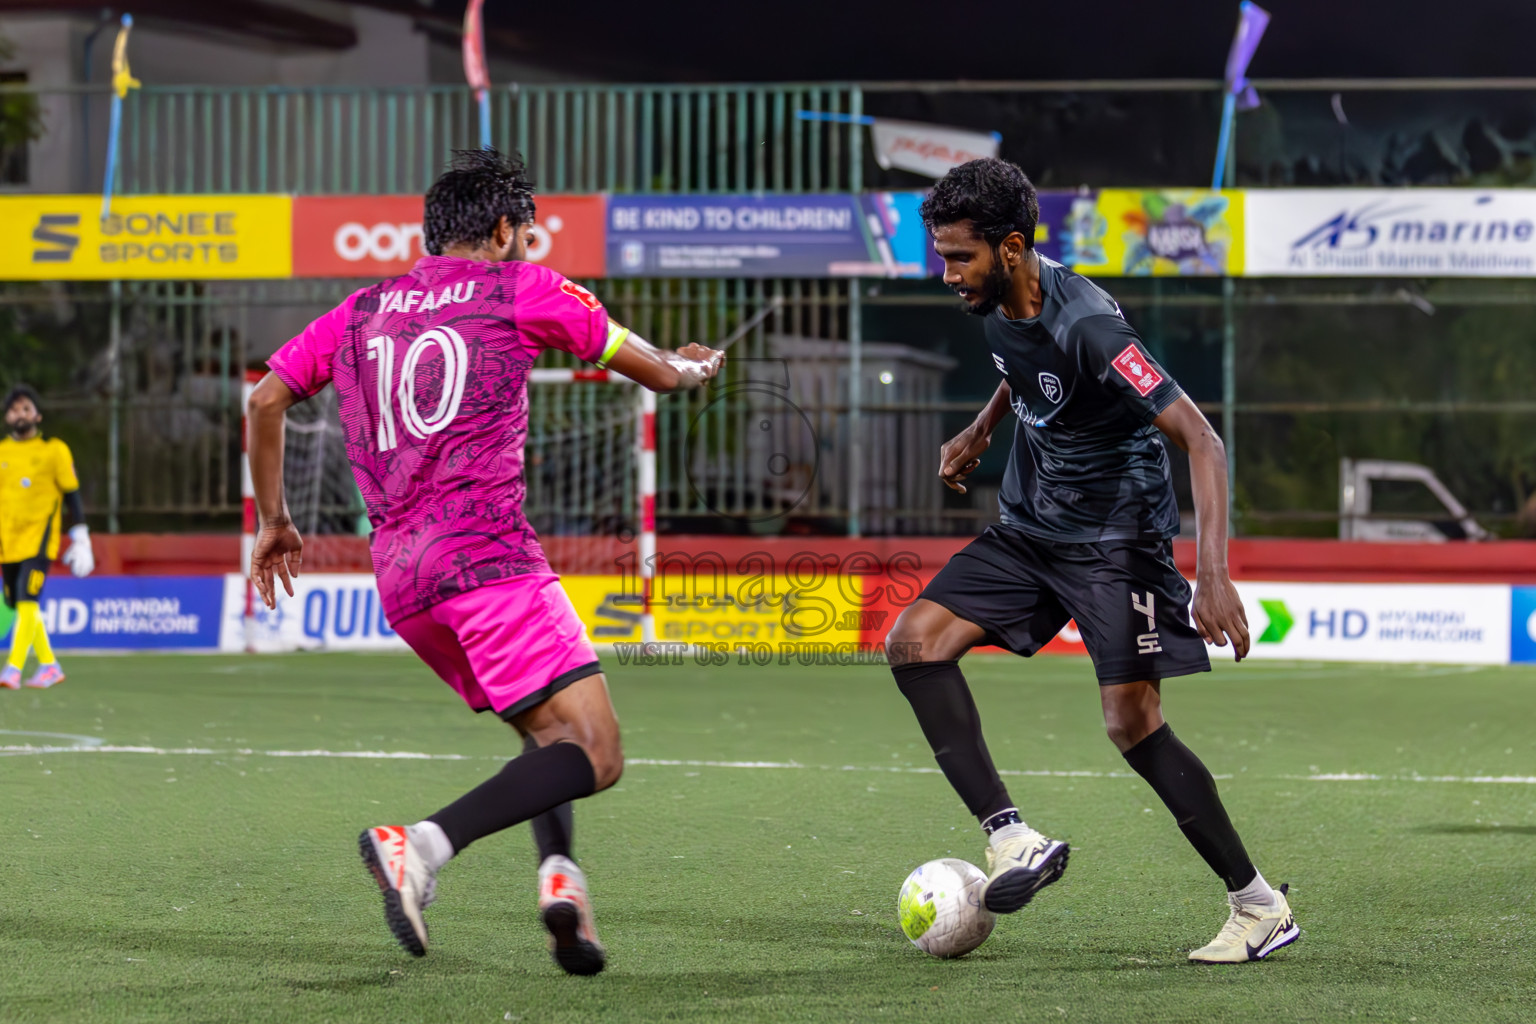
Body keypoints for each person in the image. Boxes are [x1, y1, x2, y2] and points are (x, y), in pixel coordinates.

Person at [245, 149, 723, 975]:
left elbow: (264, 398)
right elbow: (658, 373)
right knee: (598, 753)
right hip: (489, 562)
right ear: (504, 231)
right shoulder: (522, 289)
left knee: (547, 731)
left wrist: (276, 522)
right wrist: (694, 368)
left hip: (403, 581)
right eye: (522, 232)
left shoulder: (360, 312)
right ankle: (421, 846)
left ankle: (561, 881)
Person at [886, 158, 1297, 964]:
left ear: (1009, 249)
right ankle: (1011, 840)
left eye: (959, 257)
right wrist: (981, 428)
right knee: (913, 643)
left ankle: (1259, 906)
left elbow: (1203, 441)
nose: (947, 274)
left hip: (1118, 544)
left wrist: (1211, 574)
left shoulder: (1095, 327)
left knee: (1132, 723)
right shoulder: (997, 298)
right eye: (940, 256)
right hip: (1033, 529)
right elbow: (1024, 370)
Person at [0, 385, 94, 690]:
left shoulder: (54, 450)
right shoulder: (2, 452)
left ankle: (12, 669)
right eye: (14, 409)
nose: (19, 414)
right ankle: (49, 665)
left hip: (40, 542)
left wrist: (81, 537)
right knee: (21, 605)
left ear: (37, 415)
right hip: (8, 545)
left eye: (26, 408)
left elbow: (72, 495)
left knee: (28, 599)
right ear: (6, 417)